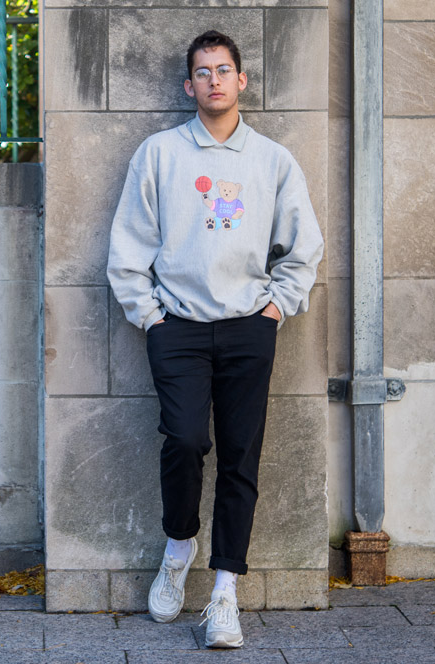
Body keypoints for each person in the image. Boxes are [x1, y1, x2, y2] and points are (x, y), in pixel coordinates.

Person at [106, 30, 323, 648]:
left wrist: (275, 309)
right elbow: (128, 245)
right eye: (202, 73)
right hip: (176, 326)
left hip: (247, 326)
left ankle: (224, 594)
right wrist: (148, 314)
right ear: (189, 86)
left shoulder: (272, 161)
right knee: (184, 438)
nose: (214, 81)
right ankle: (179, 546)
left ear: (242, 81)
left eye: (224, 70)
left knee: (240, 454)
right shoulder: (159, 154)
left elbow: (302, 248)